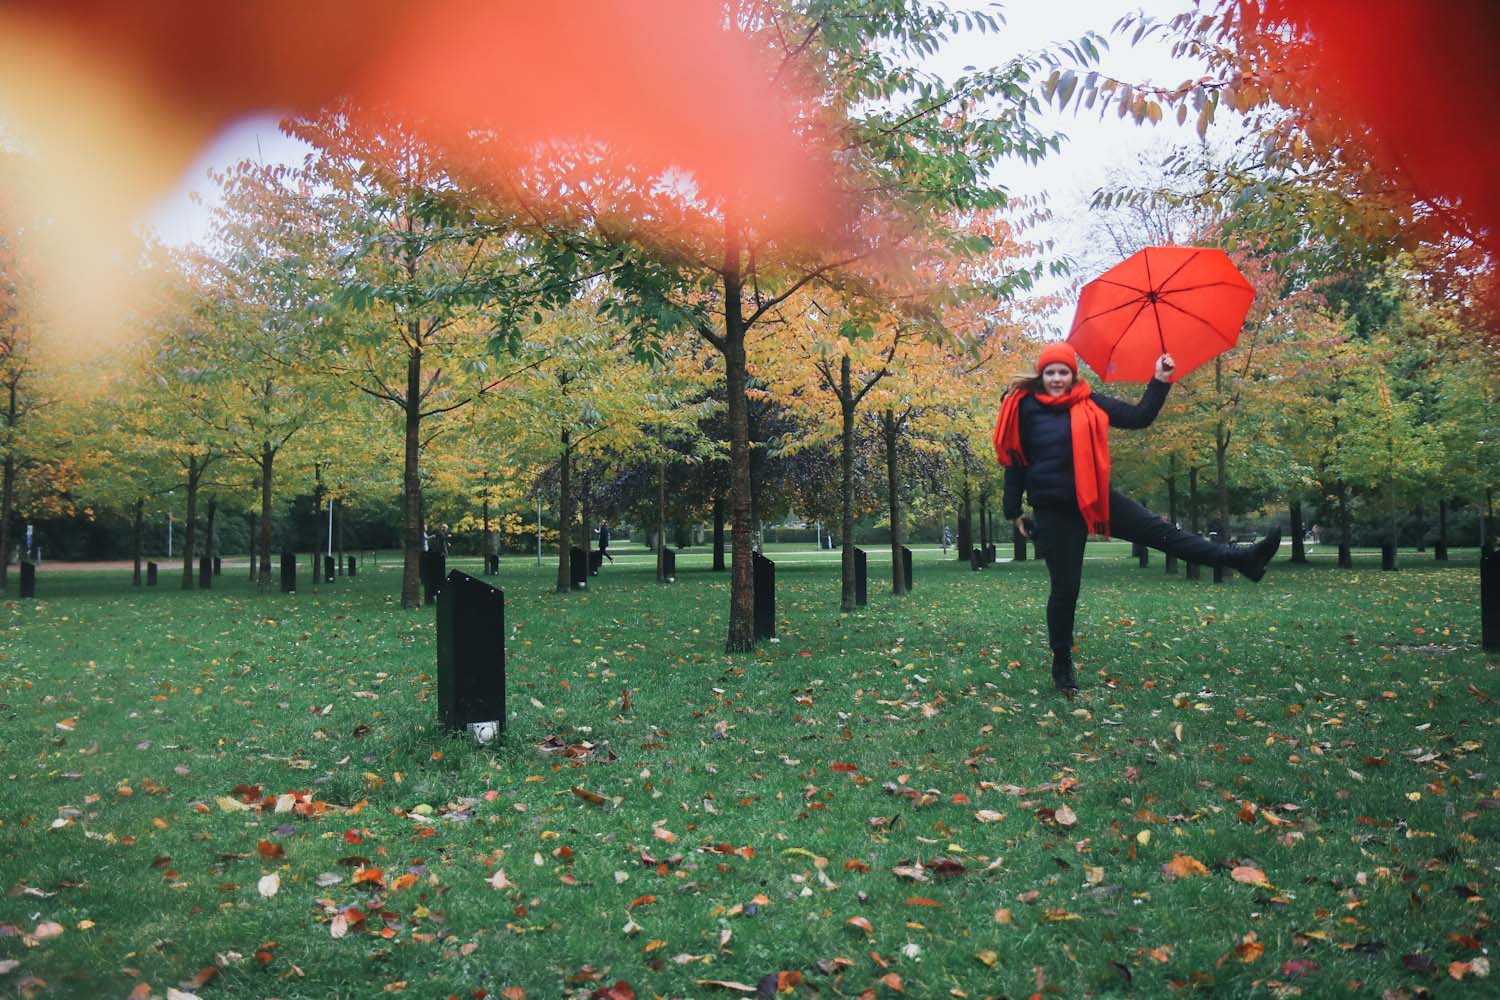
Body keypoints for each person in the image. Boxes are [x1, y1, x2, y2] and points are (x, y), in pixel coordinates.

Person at [994, 343, 1281, 695]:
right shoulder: (1023, 408)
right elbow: (1014, 461)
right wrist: (1013, 512)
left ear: (1073, 375)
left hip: (1096, 499)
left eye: (1063, 372)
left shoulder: (1090, 401)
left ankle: (1240, 558)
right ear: (1042, 376)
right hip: (1054, 511)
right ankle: (1062, 665)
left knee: (1162, 533)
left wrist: (1160, 380)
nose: (1056, 379)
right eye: (1050, 372)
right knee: (1065, 590)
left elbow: (1139, 417)